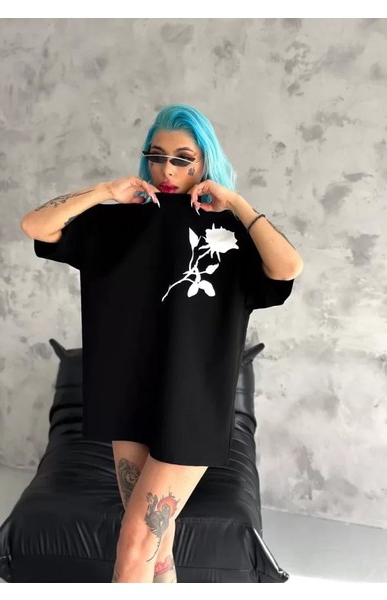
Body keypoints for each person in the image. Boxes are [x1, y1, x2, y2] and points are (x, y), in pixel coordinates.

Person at [20, 103, 303, 583]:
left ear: (205, 161)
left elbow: (287, 267)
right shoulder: (118, 222)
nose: (167, 170)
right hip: (128, 398)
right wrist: (105, 191)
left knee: (135, 540)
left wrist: (236, 203)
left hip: (193, 407)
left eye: (182, 159)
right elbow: (36, 226)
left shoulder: (230, 233)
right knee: (158, 545)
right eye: (157, 157)